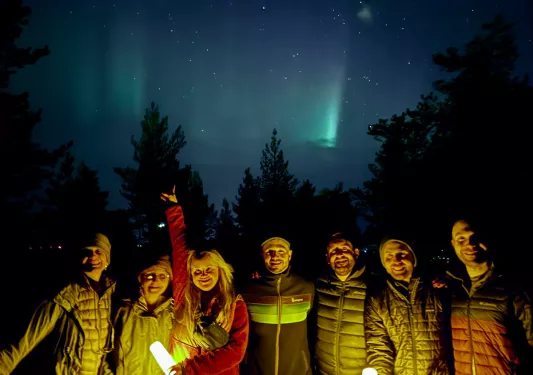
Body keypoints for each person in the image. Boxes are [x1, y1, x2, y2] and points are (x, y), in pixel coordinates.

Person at [161, 186, 249, 375]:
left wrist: (189, 368)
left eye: (209, 269)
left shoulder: (234, 304)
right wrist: (174, 209)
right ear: (190, 275)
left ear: (220, 271)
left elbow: (236, 352)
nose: (203, 275)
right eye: (197, 271)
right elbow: (179, 250)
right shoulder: (183, 297)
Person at [0, 234, 116, 375]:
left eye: (99, 251)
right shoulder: (64, 296)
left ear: (107, 259)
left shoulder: (112, 294)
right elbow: (24, 341)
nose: (93, 256)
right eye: (87, 252)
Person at [447, 218, 533, 374]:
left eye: (476, 238)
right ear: (453, 244)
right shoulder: (449, 288)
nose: (470, 244)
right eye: (461, 239)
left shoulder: (514, 288)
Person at [364, 237, 451, 375]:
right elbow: (379, 348)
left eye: (402, 254)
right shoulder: (377, 299)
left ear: (413, 257)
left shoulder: (438, 289)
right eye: (389, 256)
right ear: (383, 263)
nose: (396, 261)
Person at [241, 236, 315, 375]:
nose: (275, 256)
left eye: (281, 251)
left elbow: (312, 327)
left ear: (290, 255)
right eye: (269, 251)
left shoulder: (306, 288)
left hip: (297, 370)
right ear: (262, 254)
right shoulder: (248, 289)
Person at [314, 232, 368, 374]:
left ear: (356, 253)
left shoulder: (375, 286)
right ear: (327, 258)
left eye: (344, 249)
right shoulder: (318, 285)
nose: (339, 254)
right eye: (333, 251)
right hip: (325, 370)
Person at [111, 255, 174, 375]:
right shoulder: (123, 310)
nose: (156, 281)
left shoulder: (174, 314)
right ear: (140, 279)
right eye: (150, 275)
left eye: (163, 276)